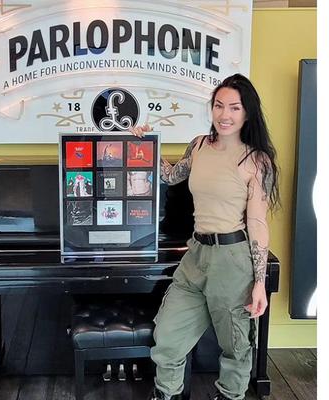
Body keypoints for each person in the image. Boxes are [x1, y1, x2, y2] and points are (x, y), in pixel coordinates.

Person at [130, 74, 280, 400]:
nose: (224, 115)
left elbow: (257, 223)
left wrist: (259, 282)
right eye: (219, 105)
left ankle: (230, 395)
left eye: (234, 108)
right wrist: (146, 144)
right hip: (196, 253)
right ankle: (166, 394)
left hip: (232, 259)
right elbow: (171, 176)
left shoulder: (257, 161)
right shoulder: (199, 145)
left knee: (235, 344)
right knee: (168, 335)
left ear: (247, 113)